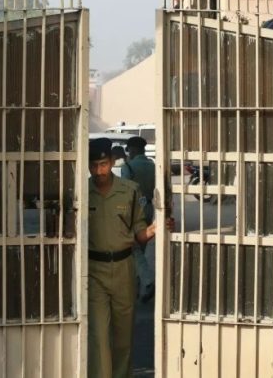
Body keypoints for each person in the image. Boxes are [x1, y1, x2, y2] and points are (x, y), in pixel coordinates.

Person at [88, 137, 156, 378]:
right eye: (94, 166)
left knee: (123, 337)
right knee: (98, 336)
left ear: (111, 162)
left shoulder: (129, 190)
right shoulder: (82, 192)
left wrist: (157, 228)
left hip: (124, 269)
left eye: (103, 164)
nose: (99, 171)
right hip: (94, 270)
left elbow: (140, 233)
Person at [121, 136, 156, 303]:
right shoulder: (152, 166)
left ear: (132, 150)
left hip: (132, 208)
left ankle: (147, 280)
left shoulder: (128, 166)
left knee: (132, 247)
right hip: (148, 207)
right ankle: (137, 286)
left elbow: (124, 191)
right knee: (140, 246)